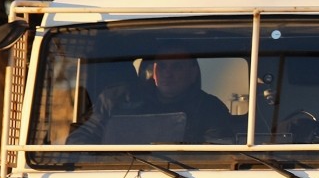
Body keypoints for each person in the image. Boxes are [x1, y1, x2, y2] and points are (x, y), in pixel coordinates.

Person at [67, 56, 233, 145]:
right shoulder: (116, 99)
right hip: (114, 175)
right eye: (162, 66)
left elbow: (219, 152)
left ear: (192, 73)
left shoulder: (209, 108)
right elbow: (81, 139)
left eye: (177, 67)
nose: (168, 73)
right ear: (154, 71)